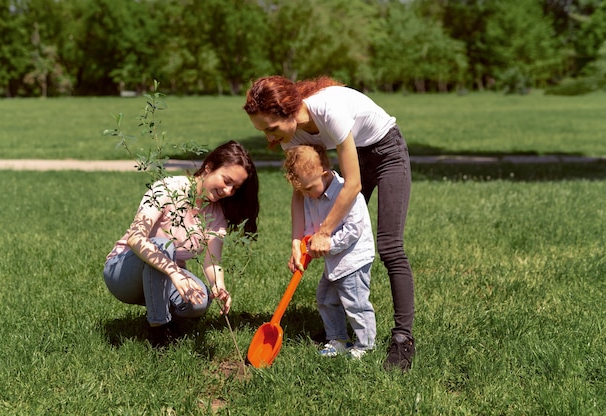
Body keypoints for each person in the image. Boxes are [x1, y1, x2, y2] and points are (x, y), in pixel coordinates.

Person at [244, 75, 415, 371]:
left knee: (390, 246)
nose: (270, 139)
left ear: (290, 112)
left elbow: (353, 184)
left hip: (386, 153)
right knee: (340, 240)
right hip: (356, 154)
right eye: (263, 132)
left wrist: (323, 232)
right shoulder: (292, 134)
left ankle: (402, 338)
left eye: (271, 129)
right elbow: (300, 191)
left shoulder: (328, 111)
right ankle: (339, 326)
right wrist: (297, 240)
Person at [103, 140, 259, 347]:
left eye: (235, 188)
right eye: (226, 180)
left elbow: (212, 260)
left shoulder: (216, 212)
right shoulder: (167, 188)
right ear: (208, 167)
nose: (229, 191)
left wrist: (218, 285)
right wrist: (175, 273)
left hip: (163, 277)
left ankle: (161, 312)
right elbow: (135, 237)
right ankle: (159, 331)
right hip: (122, 273)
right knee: (161, 245)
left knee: (201, 301)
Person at [283, 144, 376, 359]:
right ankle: (339, 339)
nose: (305, 195)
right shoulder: (311, 196)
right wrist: (304, 248)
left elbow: (354, 229)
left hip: (353, 260)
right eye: (301, 191)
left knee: (355, 304)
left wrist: (329, 244)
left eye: (308, 188)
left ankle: (365, 345)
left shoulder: (347, 193)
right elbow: (310, 227)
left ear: (324, 175)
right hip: (333, 262)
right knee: (325, 298)